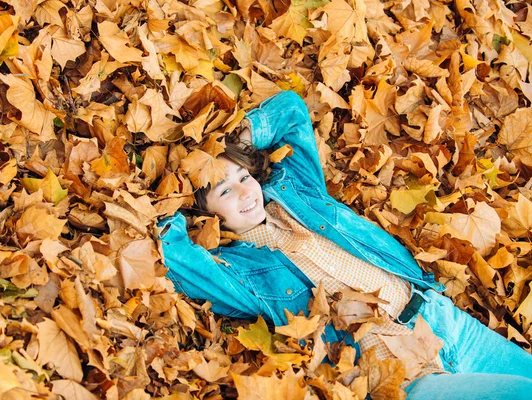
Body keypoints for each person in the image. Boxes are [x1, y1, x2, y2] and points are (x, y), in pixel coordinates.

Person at [157, 91, 532, 399]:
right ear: (205, 213)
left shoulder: (297, 193)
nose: (244, 190)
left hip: (442, 319)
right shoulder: (239, 269)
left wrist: (236, 139)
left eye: (243, 176)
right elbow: (178, 260)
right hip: (402, 376)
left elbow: (291, 111)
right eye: (224, 190)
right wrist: (170, 198)